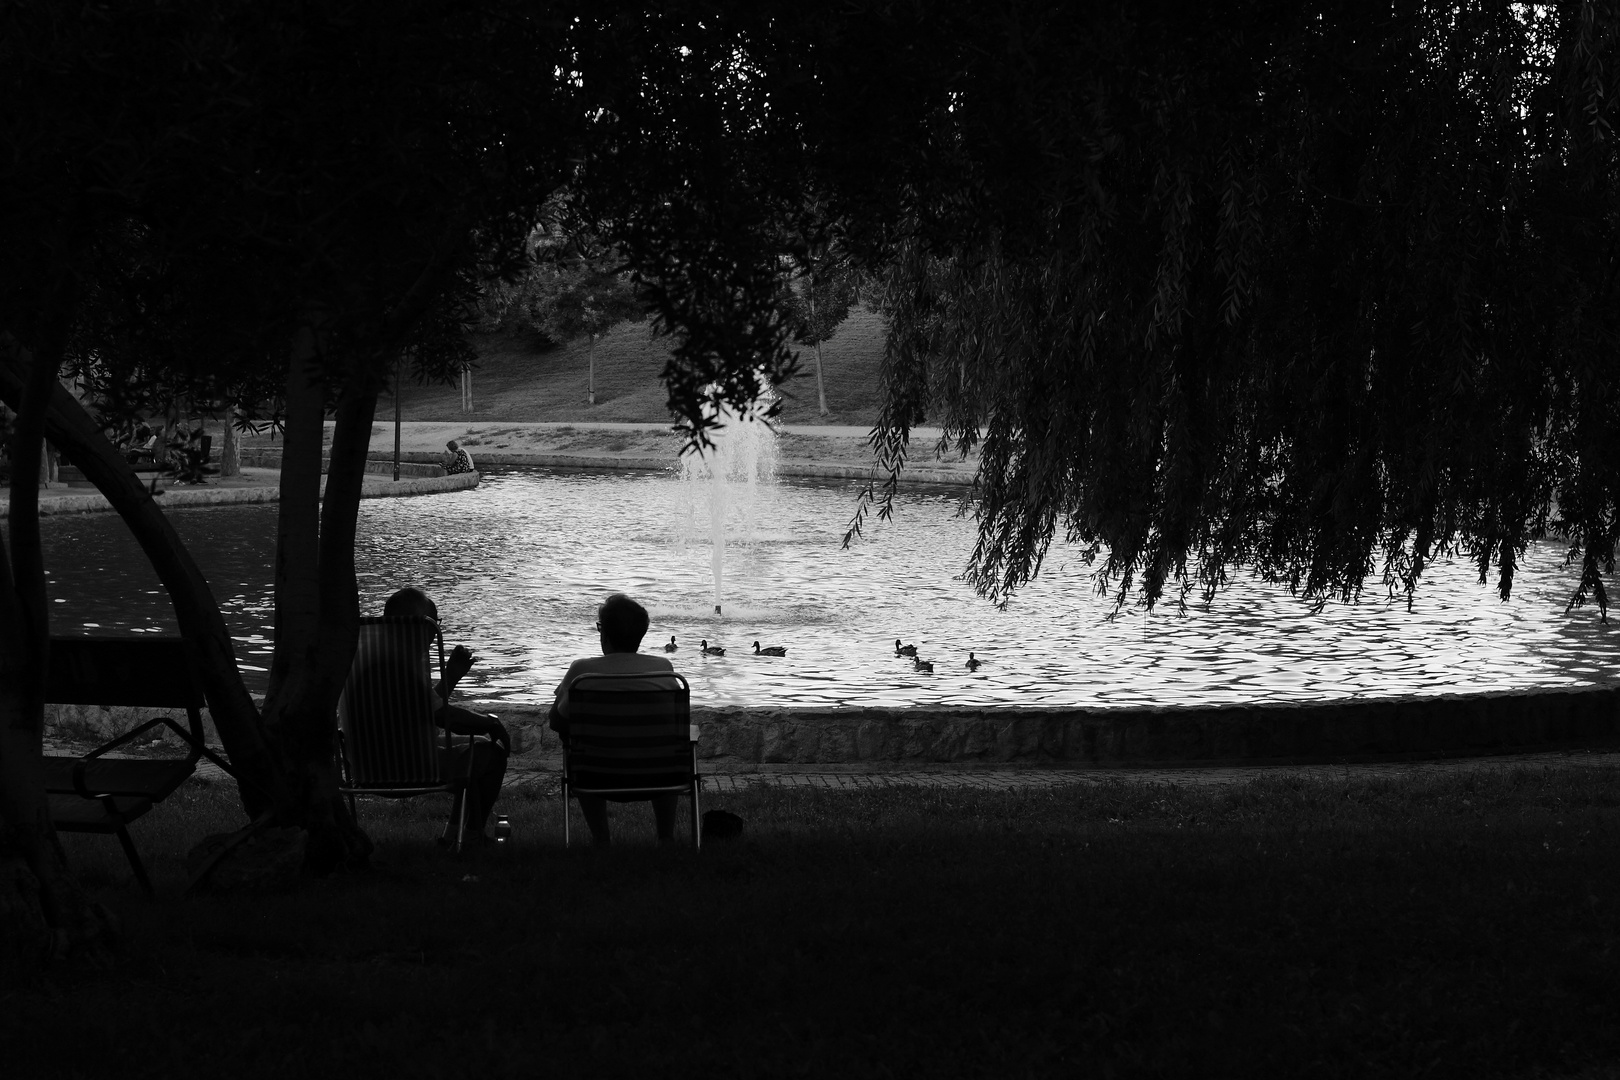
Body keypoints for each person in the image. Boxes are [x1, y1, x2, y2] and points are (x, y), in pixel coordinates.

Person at [376, 587, 510, 845]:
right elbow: (444, 718)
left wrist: (451, 677)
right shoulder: (402, 664)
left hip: (367, 763)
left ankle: (453, 835)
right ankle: (471, 836)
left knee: (470, 747)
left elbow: (421, 710)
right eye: (433, 622)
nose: (435, 630)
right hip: (407, 766)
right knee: (489, 752)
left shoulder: (368, 653)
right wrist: (490, 723)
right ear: (416, 624)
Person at [549, 593, 680, 845]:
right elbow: (673, 723)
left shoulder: (582, 672)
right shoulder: (663, 668)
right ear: (640, 635)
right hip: (658, 774)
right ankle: (665, 837)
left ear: (604, 633)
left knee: (581, 748)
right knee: (665, 745)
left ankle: (602, 840)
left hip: (596, 775)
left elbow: (556, 721)